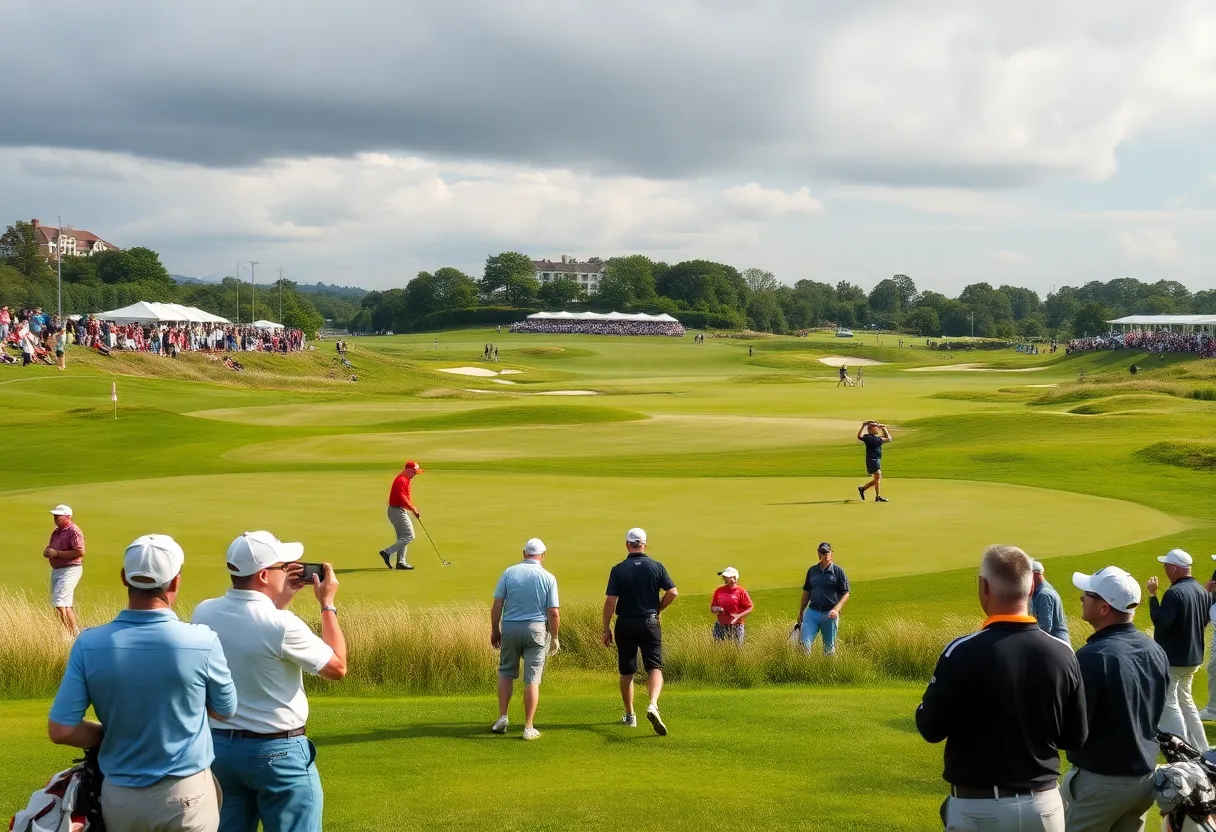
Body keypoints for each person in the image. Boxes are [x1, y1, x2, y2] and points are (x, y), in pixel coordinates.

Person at [48, 533, 237, 832]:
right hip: (186, 793)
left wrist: (106, 735)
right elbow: (225, 709)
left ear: (125, 578)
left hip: (120, 798)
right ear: (175, 582)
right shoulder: (202, 640)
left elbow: (61, 729)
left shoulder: (89, 643)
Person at [916, 545, 1087, 832]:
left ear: (984, 587)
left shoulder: (961, 652)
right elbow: (1075, 736)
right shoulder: (1063, 653)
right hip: (1043, 807)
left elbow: (930, 728)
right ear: (1032, 587)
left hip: (978, 808)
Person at [191, 531, 347, 832]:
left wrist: (282, 597)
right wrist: (327, 604)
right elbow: (336, 667)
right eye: (282, 565)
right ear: (264, 574)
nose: (290, 568)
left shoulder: (204, 611)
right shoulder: (282, 624)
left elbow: (252, 629)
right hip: (278, 753)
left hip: (220, 750)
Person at [1062, 566, 1169, 832]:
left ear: (1105, 608)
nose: (1081, 598)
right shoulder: (1154, 649)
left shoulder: (1091, 657)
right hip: (1144, 780)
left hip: (1100, 781)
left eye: (1088, 594)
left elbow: (1074, 730)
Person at [602, 527, 678, 735]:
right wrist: (658, 609)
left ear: (627, 544)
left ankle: (630, 715)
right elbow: (672, 592)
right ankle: (653, 703)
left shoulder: (618, 569)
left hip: (625, 623)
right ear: (644, 544)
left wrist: (605, 627)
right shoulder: (656, 566)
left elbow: (610, 601)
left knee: (627, 671)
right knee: (654, 667)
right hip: (650, 621)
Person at [489, 538, 560, 740]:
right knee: (532, 680)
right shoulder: (548, 577)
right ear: (543, 555)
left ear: (524, 553)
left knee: (506, 672)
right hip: (537, 631)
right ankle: (528, 727)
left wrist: (495, 630)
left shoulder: (509, 572)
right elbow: (553, 612)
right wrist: (554, 637)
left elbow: (497, 605)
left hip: (510, 628)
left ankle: (503, 717)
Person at [1149, 547, 1210, 752]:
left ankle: (1183, 748)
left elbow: (1161, 621)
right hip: (1193, 658)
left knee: (1170, 702)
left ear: (1175, 568)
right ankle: (1201, 746)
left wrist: (1152, 597)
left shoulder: (1174, 593)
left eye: (1166, 566)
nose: (1165, 569)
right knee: (1187, 702)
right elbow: (1205, 620)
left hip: (1174, 659)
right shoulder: (1202, 591)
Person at [796, 542, 850, 655]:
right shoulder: (812, 571)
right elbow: (807, 591)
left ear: (831, 553)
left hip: (830, 614)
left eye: (827, 552)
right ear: (818, 554)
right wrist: (801, 611)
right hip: (812, 612)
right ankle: (805, 671)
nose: (825, 555)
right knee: (805, 645)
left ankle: (829, 672)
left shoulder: (838, 572)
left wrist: (836, 609)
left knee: (829, 649)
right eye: (822, 553)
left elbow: (846, 593)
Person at [44, 504, 85, 634]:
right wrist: (48, 552)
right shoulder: (56, 532)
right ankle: (75, 633)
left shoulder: (74, 531)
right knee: (65, 604)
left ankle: (69, 634)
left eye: (59, 516)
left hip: (70, 569)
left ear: (68, 517)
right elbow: (50, 547)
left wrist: (58, 554)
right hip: (57, 570)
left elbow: (80, 551)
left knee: (59, 602)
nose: (55, 518)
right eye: (55, 516)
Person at [379, 460, 423, 570]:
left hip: (398, 510)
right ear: (407, 470)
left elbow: (406, 497)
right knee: (409, 536)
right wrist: (412, 508)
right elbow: (402, 497)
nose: (415, 475)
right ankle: (387, 552)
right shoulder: (401, 480)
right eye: (414, 472)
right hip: (396, 511)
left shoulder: (406, 479)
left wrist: (412, 509)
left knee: (402, 537)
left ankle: (401, 562)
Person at [710, 567, 753, 644]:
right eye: (724, 577)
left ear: (734, 578)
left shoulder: (741, 591)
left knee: (736, 650)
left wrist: (738, 616)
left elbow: (750, 607)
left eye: (727, 577)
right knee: (717, 650)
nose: (724, 578)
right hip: (720, 626)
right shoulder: (719, 591)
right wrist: (715, 609)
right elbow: (712, 608)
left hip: (736, 626)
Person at [1029, 561, 1069, 643]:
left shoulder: (1044, 594)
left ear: (1035, 575)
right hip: (1056, 641)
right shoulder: (1041, 590)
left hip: (1056, 642)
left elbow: (1045, 627)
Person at [856, 421, 892, 503]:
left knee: (877, 478)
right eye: (875, 427)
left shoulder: (877, 438)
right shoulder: (868, 437)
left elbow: (889, 438)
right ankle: (877, 497)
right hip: (872, 460)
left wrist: (884, 428)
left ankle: (863, 489)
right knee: (878, 475)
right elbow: (859, 436)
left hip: (877, 459)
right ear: (870, 429)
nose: (877, 428)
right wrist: (863, 426)